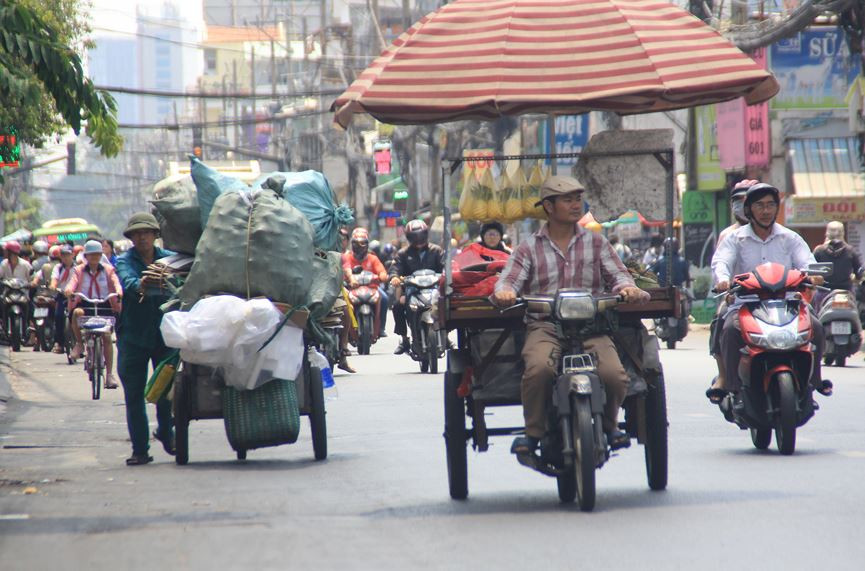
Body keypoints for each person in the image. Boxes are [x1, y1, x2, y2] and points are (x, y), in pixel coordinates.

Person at [492, 175, 650, 454]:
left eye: (578, 198)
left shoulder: (597, 243)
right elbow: (508, 281)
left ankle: (610, 426)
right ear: (549, 207)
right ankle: (533, 433)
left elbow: (619, 276)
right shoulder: (529, 247)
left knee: (615, 375)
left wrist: (627, 288)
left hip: (593, 327)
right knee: (538, 370)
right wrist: (504, 292)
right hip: (545, 327)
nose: (576, 205)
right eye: (568, 200)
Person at [710, 183, 832, 401]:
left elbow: (807, 262)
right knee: (728, 330)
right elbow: (721, 262)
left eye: (770, 205)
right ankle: (732, 385)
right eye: (760, 206)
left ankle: (815, 378)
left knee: (816, 326)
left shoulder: (790, 237)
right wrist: (722, 280)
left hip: (788, 303)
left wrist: (813, 275)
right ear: (749, 210)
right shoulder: (735, 238)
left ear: (777, 208)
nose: (766, 211)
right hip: (745, 304)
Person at [115, 213, 174, 466]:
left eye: (146, 232)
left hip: (164, 336)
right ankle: (140, 450)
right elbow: (128, 281)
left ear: (154, 235)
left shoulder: (170, 259)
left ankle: (166, 431)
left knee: (165, 390)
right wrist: (142, 284)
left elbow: (182, 280)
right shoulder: (124, 261)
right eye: (137, 233)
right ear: (131, 238)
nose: (142, 237)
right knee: (134, 396)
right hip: (133, 337)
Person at [66, 240, 122, 388]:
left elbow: (116, 283)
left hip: (104, 305)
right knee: (77, 313)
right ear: (86, 256)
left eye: (97, 254)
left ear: (101, 255)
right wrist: (69, 290)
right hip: (85, 303)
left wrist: (119, 292)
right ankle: (79, 343)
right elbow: (72, 283)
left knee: (107, 336)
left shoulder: (109, 270)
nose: (94, 258)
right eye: (91, 255)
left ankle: (109, 375)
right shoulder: (79, 270)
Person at [389, 219, 445, 355]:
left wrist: (447, 275)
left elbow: (445, 267)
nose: (418, 239)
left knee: (446, 304)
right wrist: (395, 277)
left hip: (434, 290)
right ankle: (404, 339)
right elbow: (395, 269)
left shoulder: (436, 251)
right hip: (411, 291)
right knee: (398, 306)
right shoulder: (403, 254)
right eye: (415, 236)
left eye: (421, 235)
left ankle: (446, 336)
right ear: (409, 237)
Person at [342, 228, 389, 345]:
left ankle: (381, 328)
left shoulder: (373, 258)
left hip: (372, 288)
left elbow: (381, 271)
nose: (359, 246)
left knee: (384, 299)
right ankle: (345, 331)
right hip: (351, 289)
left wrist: (383, 276)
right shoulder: (346, 257)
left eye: (363, 243)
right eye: (356, 243)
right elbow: (342, 272)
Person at [813, 221, 863, 296]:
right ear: (843, 233)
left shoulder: (819, 251)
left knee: (813, 306)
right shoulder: (850, 251)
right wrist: (855, 278)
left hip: (824, 292)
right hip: (846, 292)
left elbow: (811, 271)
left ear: (827, 233)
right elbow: (859, 273)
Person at [49, 246, 76, 353]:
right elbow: (54, 279)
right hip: (61, 295)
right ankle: (59, 343)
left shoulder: (78, 268)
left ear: (72, 255)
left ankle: (79, 342)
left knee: (76, 317)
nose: (66, 258)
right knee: (58, 316)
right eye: (63, 255)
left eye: (68, 255)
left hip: (74, 297)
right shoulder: (58, 268)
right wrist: (53, 285)